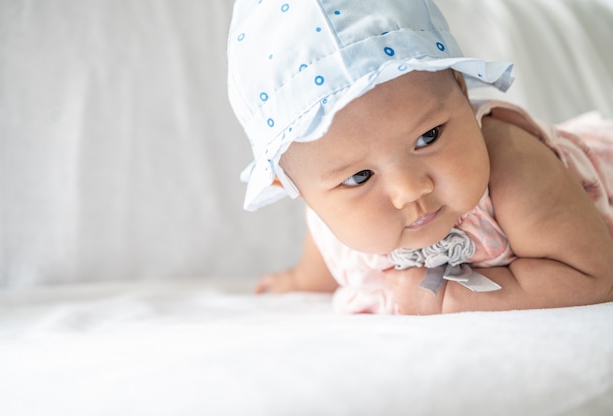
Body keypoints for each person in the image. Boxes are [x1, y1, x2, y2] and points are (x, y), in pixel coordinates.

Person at [227, 0, 613, 314]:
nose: (410, 189)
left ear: (462, 92)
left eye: (428, 137)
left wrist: (450, 298)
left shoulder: (515, 165)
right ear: (298, 190)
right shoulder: (330, 220)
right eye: (360, 177)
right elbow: (328, 257)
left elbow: (593, 275)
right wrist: (299, 281)